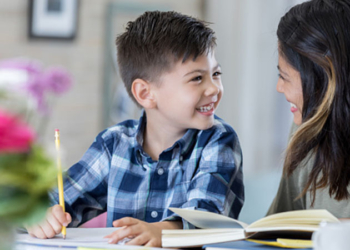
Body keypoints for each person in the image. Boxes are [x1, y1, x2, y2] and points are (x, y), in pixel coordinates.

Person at [25, 11, 244, 246]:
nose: (214, 89)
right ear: (145, 93)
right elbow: (54, 201)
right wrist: (40, 215)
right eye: (197, 79)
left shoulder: (219, 140)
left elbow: (209, 216)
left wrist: (166, 231)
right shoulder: (114, 144)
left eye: (216, 74)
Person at [268, 0, 350, 217]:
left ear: (323, 77)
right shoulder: (305, 130)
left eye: (284, 77)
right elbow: (277, 225)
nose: (279, 87)